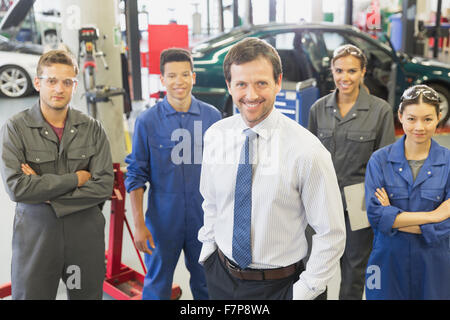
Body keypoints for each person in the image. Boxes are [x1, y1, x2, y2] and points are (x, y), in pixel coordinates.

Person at [197, 37, 346, 300]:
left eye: (261, 83)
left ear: (278, 83)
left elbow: (331, 233)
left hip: (283, 287)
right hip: (222, 277)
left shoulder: (307, 151)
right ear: (229, 85)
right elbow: (211, 202)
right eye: (241, 84)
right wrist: (209, 250)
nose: (251, 95)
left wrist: (303, 291)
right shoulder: (214, 136)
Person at [0, 50, 114, 300]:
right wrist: (76, 179)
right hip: (37, 235)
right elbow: (17, 187)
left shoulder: (92, 129)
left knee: (85, 296)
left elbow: (104, 185)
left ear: (75, 85)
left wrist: (48, 195)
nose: (59, 89)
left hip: (84, 236)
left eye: (67, 82)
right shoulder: (16, 129)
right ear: (38, 82)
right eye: (51, 81)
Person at [125, 48, 221, 300]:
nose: (179, 81)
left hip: (204, 218)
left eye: (185, 74)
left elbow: (223, 171)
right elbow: (136, 174)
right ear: (162, 79)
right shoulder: (147, 121)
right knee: (157, 284)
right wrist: (138, 225)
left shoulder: (212, 117)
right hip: (162, 220)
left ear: (194, 77)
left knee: (207, 283)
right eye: (172, 75)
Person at [307, 44, 395, 300]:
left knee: (355, 271)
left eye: (352, 71)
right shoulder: (318, 109)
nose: (345, 77)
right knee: (315, 268)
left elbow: (384, 165)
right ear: (332, 71)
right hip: (321, 200)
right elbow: (308, 158)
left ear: (363, 72)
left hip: (359, 202)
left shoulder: (380, 111)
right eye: (339, 70)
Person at [364, 85, 450, 300]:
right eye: (411, 119)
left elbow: (446, 226)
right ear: (400, 116)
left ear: (439, 117)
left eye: (427, 119)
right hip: (388, 261)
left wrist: (394, 218)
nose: (419, 127)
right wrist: (432, 216)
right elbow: (376, 216)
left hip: (434, 264)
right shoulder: (379, 160)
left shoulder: (448, 162)